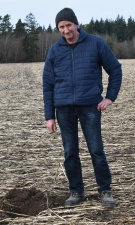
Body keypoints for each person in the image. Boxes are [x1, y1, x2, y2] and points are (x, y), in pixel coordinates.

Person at [42, 8, 122, 207]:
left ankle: (105, 190)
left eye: (68, 25)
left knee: (96, 150)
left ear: (76, 24)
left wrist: (110, 98)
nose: (66, 30)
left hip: (90, 107)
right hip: (64, 109)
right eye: (61, 27)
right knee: (70, 151)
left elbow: (115, 70)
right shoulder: (54, 50)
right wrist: (49, 116)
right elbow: (47, 84)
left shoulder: (95, 43)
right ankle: (76, 191)